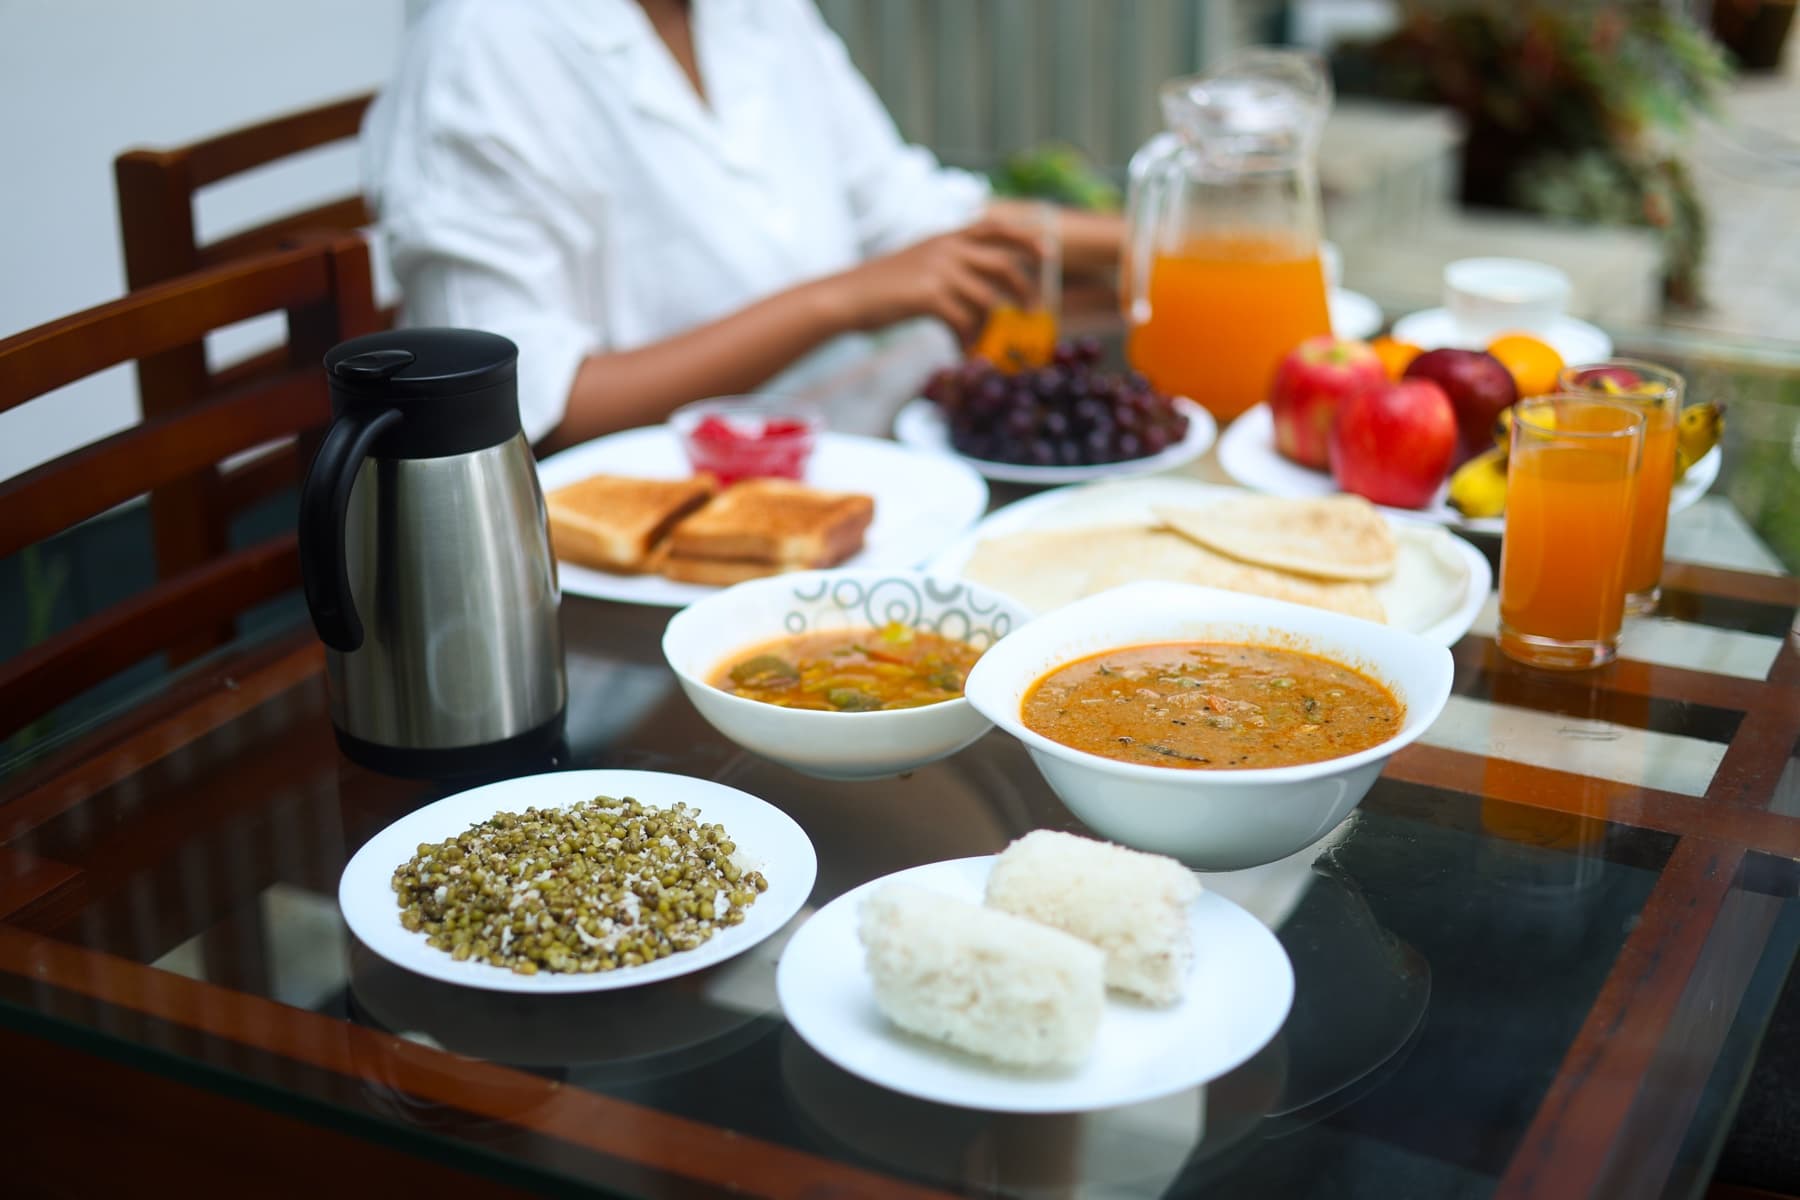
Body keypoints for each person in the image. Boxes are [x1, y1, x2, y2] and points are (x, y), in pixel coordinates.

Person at [362, 0, 1122, 449]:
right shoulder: (482, 46)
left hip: (856, 458)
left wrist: (1152, 236)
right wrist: (840, 300)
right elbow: (527, 405)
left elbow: (907, 214)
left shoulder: (754, 11)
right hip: (632, 569)